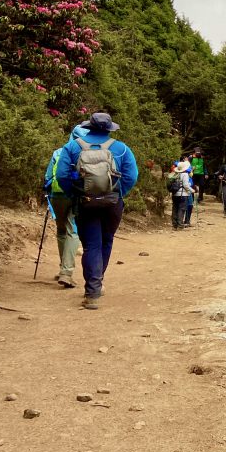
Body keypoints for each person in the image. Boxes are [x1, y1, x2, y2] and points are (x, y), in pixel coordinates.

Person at [56, 112, 138, 310]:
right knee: (106, 240)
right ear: (109, 129)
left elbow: (62, 175)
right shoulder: (121, 148)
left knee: (91, 244)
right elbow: (132, 176)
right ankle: (97, 284)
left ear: (89, 127)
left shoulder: (73, 146)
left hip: (85, 202)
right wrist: (118, 193)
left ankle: (92, 291)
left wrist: (75, 194)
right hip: (112, 203)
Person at [42, 125, 89, 288]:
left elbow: (48, 177)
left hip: (57, 195)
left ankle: (63, 268)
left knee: (61, 230)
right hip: (74, 194)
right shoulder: (85, 153)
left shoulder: (58, 152)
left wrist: (49, 193)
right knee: (72, 229)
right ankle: (66, 273)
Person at [170, 159, 193, 230]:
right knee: (181, 209)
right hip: (183, 194)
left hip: (174, 194)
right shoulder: (185, 174)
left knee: (175, 209)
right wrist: (192, 190)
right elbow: (185, 185)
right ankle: (180, 225)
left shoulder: (174, 173)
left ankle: (174, 225)